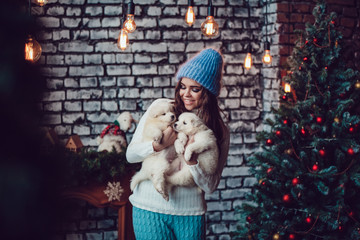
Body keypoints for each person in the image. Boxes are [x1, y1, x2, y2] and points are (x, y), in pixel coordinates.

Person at [126, 48, 230, 240]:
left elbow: (210, 186)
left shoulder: (219, 130)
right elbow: (130, 155)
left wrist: (193, 161)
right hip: (149, 207)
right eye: (183, 86)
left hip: (191, 214)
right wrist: (157, 146)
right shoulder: (163, 108)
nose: (186, 94)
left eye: (195, 89)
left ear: (207, 92)